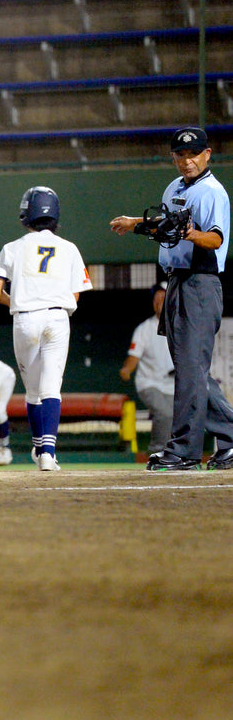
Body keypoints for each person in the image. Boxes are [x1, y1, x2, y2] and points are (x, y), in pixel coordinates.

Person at [111, 126, 233, 471]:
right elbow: (165, 226)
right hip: (176, 283)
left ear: (207, 154)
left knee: (191, 373)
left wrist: (189, 232)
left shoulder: (212, 192)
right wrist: (136, 222)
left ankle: (184, 451)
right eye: (180, 155)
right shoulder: (174, 187)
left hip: (201, 283)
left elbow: (216, 240)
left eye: (193, 154)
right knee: (192, 371)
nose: (186, 160)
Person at [0, 186, 93, 471]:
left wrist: (20, 301)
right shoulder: (70, 248)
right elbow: (76, 294)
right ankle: (47, 452)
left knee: (33, 391)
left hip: (25, 318)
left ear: (26, 213)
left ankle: (39, 447)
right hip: (58, 317)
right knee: (51, 388)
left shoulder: (12, 247)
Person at [119, 281, 175, 456]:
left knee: (181, 417)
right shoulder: (144, 329)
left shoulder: (181, 324)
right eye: (156, 299)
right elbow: (134, 355)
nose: (159, 302)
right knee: (165, 414)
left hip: (175, 384)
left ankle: (177, 455)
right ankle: (157, 452)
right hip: (150, 383)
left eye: (163, 298)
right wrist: (127, 369)